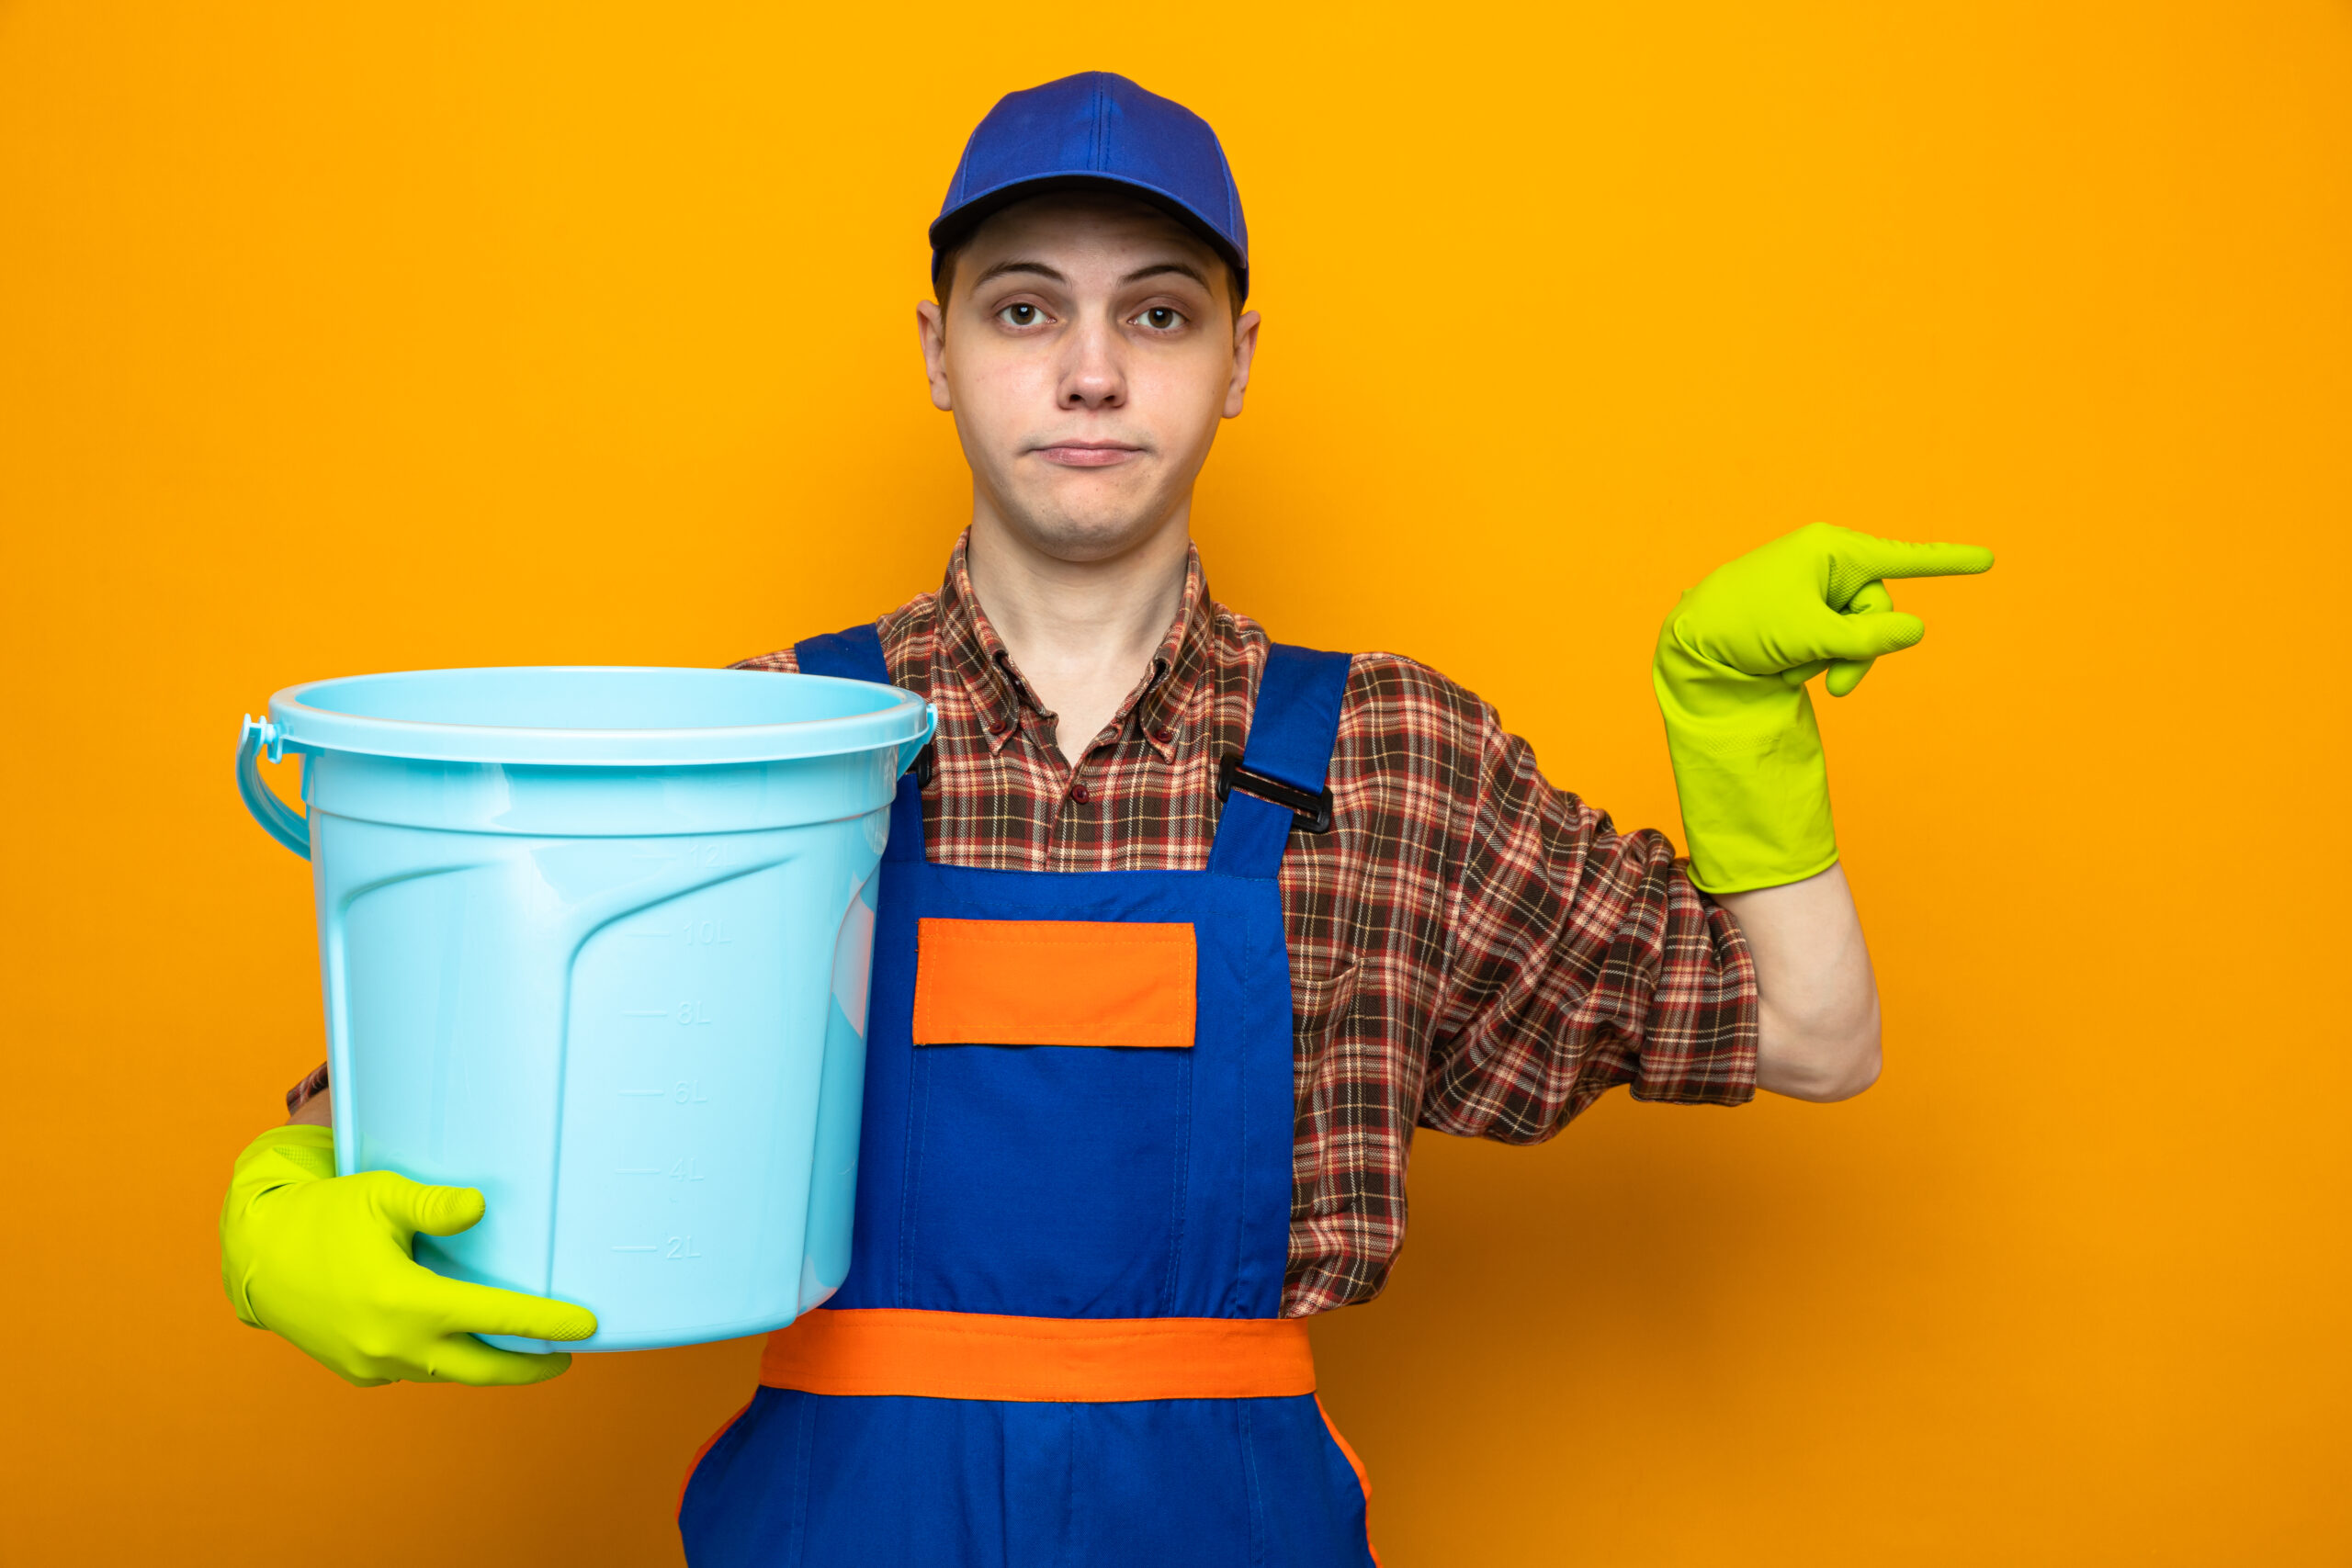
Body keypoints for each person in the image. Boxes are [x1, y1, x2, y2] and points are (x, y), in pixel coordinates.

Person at [218, 72, 1992, 1565]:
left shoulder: (1390, 760)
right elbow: (476, 1082)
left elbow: (1817, 1042)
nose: (1089, 371)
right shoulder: (778, 747)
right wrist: (287, 1191)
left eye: (1156, 311)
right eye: (1022, 308)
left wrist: (1736, 726)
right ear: (937, 351)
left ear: (1235, 360)